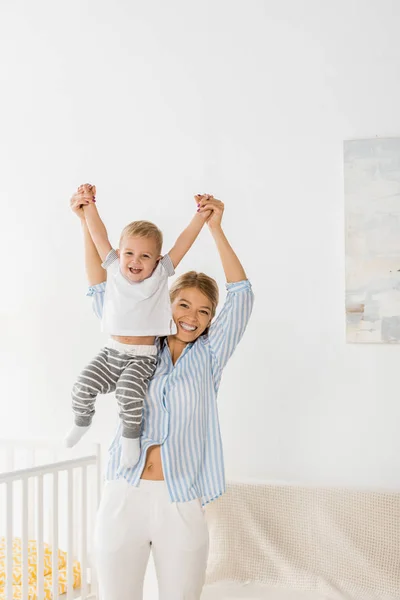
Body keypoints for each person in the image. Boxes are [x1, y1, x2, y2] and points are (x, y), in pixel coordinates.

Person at [70, 187, 254, 599]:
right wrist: (85, 220)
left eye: (204, 311)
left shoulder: (210, 358)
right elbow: (101, 287)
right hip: (124, 492)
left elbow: (242, 295)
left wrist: (215, 229)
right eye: (184, 305)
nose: (192, 317)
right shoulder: (133, 342)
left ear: (210, 321)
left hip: (181, 498)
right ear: (165, 303)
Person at [66, 184, 209, 468]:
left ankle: (131, 439)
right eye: (129, 253)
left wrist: (200, 217)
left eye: (145, 256)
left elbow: (182, 243)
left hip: (142, 357)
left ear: (157, 259)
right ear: (119, 253)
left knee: (129, 394)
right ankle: (82, 421)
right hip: (111, 353)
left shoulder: (160, 275)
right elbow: (98, 235)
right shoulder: (114, 269)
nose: (135, 261)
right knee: (82, 385)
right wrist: (89, 205)